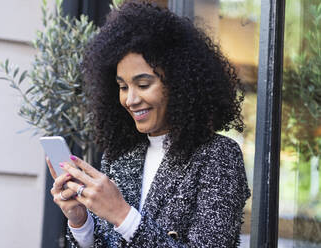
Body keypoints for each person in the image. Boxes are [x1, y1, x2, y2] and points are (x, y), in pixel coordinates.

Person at [47, 1, 251, 247]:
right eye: (123, 87)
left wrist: (122, 215)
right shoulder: (120, 157)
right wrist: (80, 221)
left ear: (180, 83)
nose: (130, 100)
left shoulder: (218, 156)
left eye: (143, 85)